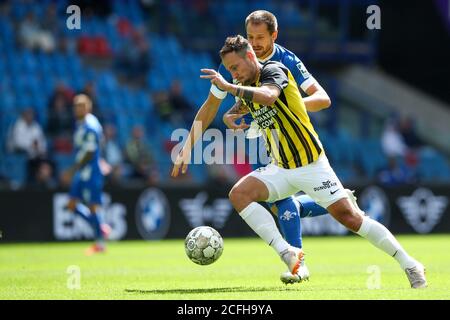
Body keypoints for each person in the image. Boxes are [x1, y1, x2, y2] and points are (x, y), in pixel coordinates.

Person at [173, 35, 427, 289]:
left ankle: (410, 264)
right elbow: (233, 105)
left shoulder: (274, 71)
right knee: (239, 194)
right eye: (229, 71)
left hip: (311, 166)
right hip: (280, 168)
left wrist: (230, 88)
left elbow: (269, 96)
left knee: (351, 219)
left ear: (250, 57)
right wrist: (228, 116)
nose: (233, 74)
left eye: (235, 68)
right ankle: (289, 254)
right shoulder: (247, 85)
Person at [172, 10, 339, 285]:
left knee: (279, 200)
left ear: (274, 35)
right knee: (272, 201)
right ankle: (325, 206)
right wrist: (188, 146)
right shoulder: (236, 62)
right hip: (259, 140)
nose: (255, 42)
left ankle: (298, 263)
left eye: (260, 37)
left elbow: (323, 99)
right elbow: (210, 107)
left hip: (291, 139)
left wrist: (284, 107)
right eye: (250, 37)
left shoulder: (285, 60)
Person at [64, 94, 111, 255]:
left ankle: (100, 243)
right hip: (82, 171)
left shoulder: (91, 125)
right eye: (76, 106)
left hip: (91, 172)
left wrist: (71, 170)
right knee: (71, 205)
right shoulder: (81, 124)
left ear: (88, 107)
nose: (78, 108)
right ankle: (100, 227)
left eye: (81, 106)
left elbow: (90, 152)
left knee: (92, 207)